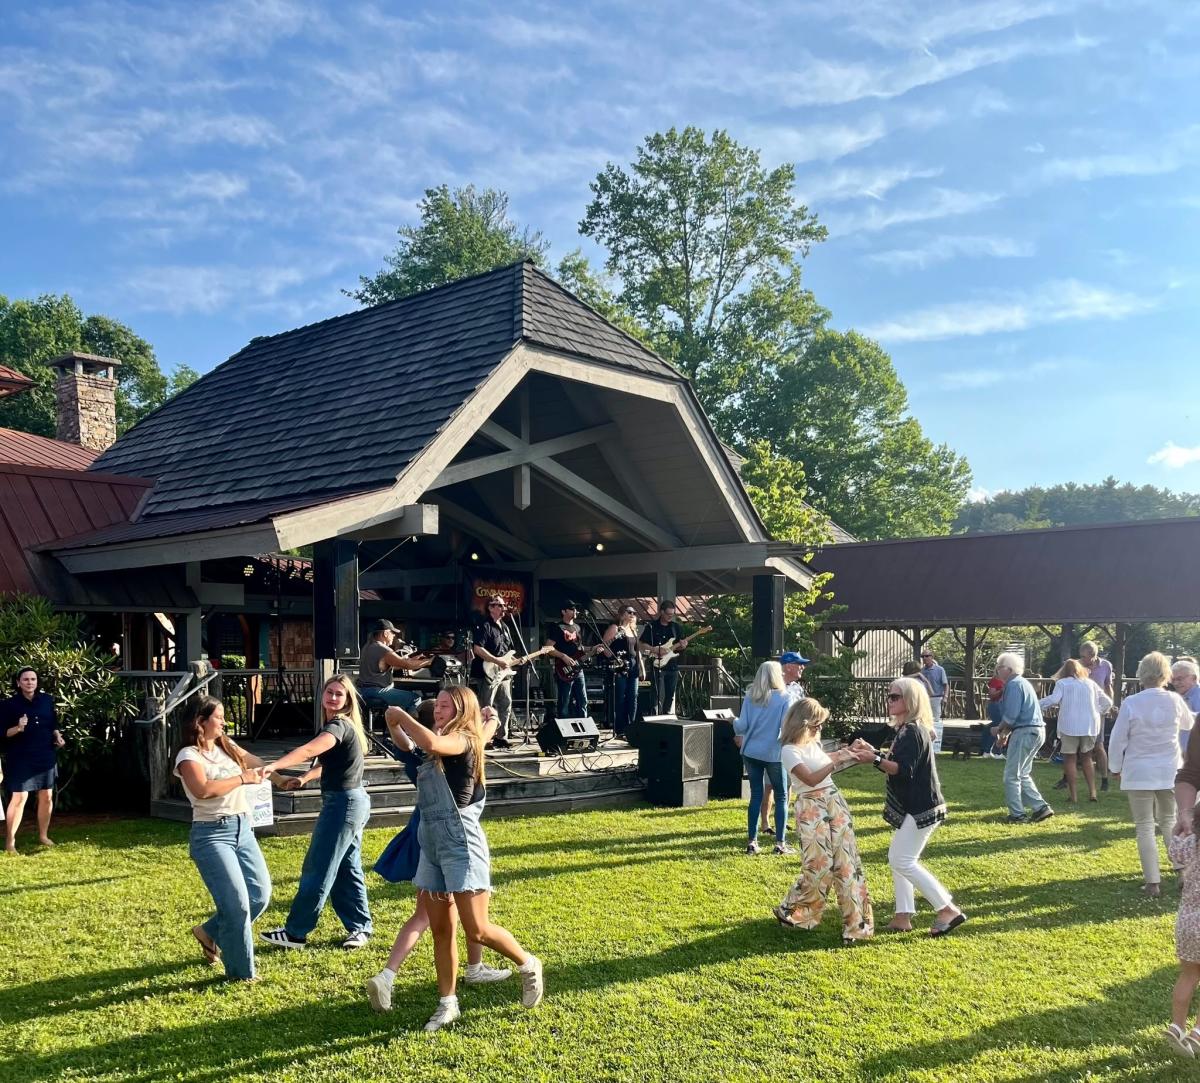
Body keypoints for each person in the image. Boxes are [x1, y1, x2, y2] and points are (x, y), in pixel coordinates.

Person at [384, 687, 544, 1031]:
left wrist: (403, 717)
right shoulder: (452, 742)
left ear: (460, 711)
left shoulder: (462, 741)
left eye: (445, 705)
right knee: (441, 930)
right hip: (432, 845)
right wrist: (391, 718)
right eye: (436, 704)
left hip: (461, 845)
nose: (438, 709)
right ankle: (447, 1003)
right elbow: (407, 742)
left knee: (478, 930)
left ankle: (528, 964)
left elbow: (433, 743)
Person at [365, 700, 511, 1012]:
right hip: (442, 837)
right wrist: (491, 722)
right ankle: (389, 975)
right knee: (440, 914)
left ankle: (473, 968)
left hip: (428, 832)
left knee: (459, 910)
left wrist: (492, 721)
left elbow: (477, 739)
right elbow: (459, 740)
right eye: (440, 712)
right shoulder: (432, 750)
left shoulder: (440, 749)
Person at [260, 673, 373, 949]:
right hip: (352, 802)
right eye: (329, 692)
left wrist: (273, 766)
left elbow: (309, 749)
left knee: (318, 867)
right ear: (323, 695)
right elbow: (328, 763)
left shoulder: (337, 727)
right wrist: (304, 779)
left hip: (343, 805)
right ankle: (360, 928)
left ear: (347, 701)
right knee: (347, 868)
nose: (333, 697)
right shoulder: (345, 728)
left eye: (339, 694)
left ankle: (296, 932)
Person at [853, 677, 965, 937]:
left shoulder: (913, 731)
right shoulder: (907, 729)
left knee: (901, 859)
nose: (889, 701)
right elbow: (897, 760)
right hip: (916, 805)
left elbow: (903, 770)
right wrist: (873, 752)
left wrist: (874, 759)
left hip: (920, 806)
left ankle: (947, 909)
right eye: (889, 696)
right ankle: (903, 916)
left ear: (910, 701)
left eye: (895, 697)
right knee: (900, 858)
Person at [173, 696, 272, 980]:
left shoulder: (224, 744)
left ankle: (210, 931)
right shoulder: (188, 756)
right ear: (200, 722)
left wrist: (278, 777)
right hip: (212, 835)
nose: (224, 722)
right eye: (219, 717)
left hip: (243, 829)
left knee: (259, 896)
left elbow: (251, 761)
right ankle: (243, 974)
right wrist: (243, 779)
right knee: (237, 905)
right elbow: (203, 790)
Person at [773, 698, 874, 942]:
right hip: (810, 806)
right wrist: (837, 759)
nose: (820, 729)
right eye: (816, 725)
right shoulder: (788, 750)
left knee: (847, 864)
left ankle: (858, 926)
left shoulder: (812, 745)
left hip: (833, 801)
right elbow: (809, 778)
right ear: (802, 724)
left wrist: (849, 753)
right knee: (819, 865)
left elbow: (826, 765)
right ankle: (795, 911)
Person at [1109, 651, 1193, 897]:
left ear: (1141, 674)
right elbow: (1188, 724)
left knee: (1144, 826)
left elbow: (1117, 740)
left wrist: (1115, 767)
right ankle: (1182, 872)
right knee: (1169, 822)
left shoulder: (1131, 703)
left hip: (1139, 772)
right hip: (1169, 771)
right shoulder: (1175, 700)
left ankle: (1153, 882)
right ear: (1165, 674)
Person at [2, 668, 65, 853]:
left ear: (37, 682)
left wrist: (58, 737)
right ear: (18, 683)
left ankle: (43, 836)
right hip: (20, 756)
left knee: (47, 795)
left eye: (33, 679)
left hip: (45, 753)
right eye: (26, 679)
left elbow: (52, 724)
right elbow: (3, 733)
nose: (30, 682)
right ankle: (10, 842)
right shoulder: (8, 705)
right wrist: (18, 728)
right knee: (20, 797)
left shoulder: (46, 700)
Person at [733, 661, 792, 855]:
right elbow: (786, 728)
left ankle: (752, 841)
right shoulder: (785, 697)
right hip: (774, 753)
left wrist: (731, 720)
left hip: (751, 752)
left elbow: (741, 726)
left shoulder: (751, 697)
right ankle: (780, 844)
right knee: (781, 795)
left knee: (756, 796)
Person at [992, 652, 1054, 824]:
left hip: (1025, 732)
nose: (997, 671)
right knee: (1023, 773)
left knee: (1011, 775)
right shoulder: (1023, 683)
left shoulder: (1013, 685)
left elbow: (1011, 716)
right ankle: (1041, 808)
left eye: (999, 667)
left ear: (1009, 669)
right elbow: (1017, 715)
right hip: (1036, 731)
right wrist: (1005, 734)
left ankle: (1017, 814)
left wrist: (999, 729)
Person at [1039, 659, 1113, 803]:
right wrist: (1098, 712)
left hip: (1069, 725)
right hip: (1090, 726)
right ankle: (1093, 793)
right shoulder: (1090, 683)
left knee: (1070, 759)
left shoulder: (1062, 683)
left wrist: (1036, 704)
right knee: (1087, 758)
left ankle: (1073, 796)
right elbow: (1108, 702)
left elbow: (1054, 699)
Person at [1165, 803, 1200, 1057]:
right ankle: (1198, 1033)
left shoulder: (1189, 847)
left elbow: (1172, 851)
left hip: (1188, 922)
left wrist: (1179, 828)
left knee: (1188, 975)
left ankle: (1177, 1026)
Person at [356, 619, 432, 716]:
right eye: (392, 633)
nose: (394, 635)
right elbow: (407, 665)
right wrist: (429, 661)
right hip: (377, 691)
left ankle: (394, 727)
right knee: (414, 698)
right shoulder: (382, 649)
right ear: (385, 633)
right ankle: (411, 729)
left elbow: (390, 665)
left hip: (365, 690)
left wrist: (411, 658)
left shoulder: (367, 647)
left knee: (399, 702)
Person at [471, 597, 517, 749]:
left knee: (505, 703)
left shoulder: (505, 627)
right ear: (491, 607)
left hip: (503, 673)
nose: (504, 607)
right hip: (487, 672)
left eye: (504, 605)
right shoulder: (484, 626)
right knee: (486, 705)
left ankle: (501, 737)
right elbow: (478, 649)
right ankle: (484, 738)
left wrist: (517, 660)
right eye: (500, 605)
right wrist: (497, 661)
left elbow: (508, 651)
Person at [639, 599, 685, 715]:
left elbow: (679, 646)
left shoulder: (676, 628)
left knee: (670, 694)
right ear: (661, 612)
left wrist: (683, 646)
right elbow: (641, 645)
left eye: (672, 614)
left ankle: (667, 716)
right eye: (668, 614)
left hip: (672, 665)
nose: (670, 617)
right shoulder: (651, 627)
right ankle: (653, 716)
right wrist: (655, 649)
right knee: (655, 693)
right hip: (656, 664)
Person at [602, 606, 643, 739]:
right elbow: (605, 647)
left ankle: (631, 727)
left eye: (634, 612)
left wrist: (642, 667)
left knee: (633, 697)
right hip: (620, 666)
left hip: (633, 665)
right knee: (620, 698)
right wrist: (613, 659)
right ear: (621, 614)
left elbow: (638, 651)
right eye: (629, 612)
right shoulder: (615, 628)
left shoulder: (633, 629)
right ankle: (620, 729)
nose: (632, 614)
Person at [1080, 640, 1114, 792]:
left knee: (1099, 745)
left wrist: (1110, 705)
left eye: (1085, 657)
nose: (1083, 659)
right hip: (1080, 709)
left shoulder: (1105, 665)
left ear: (1093, 655)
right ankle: (1066, 778)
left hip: (1098, 710)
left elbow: (1108, 686)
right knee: (1074, 745)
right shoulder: (1078, 665)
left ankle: (1105, 780)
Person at [920, 650, 948, 753]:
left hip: (936, 697)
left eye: (927, 656)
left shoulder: (940, 670)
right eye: (923, 656)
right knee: (923, 721)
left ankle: (935, 746)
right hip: (924, 698)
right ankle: (925, 744)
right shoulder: (921, 671)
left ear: (932, 657)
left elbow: (945, 684)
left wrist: (945, 696)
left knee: (935, 721)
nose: (924, 658)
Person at [1172, 659, 1200, 753]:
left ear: (1194, 678)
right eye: (1173, 679)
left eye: (1180, 679)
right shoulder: (1180, 696)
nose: (1175, 683)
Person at [981, 676, 1005, 757]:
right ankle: (995, 752)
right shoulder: (996, 680)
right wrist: (1001, 690)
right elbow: (991, 695)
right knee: (999, 727)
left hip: (1001, 706)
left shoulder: (1007, 680)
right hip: (995, 705)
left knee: (991, 727)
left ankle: (985, 750)